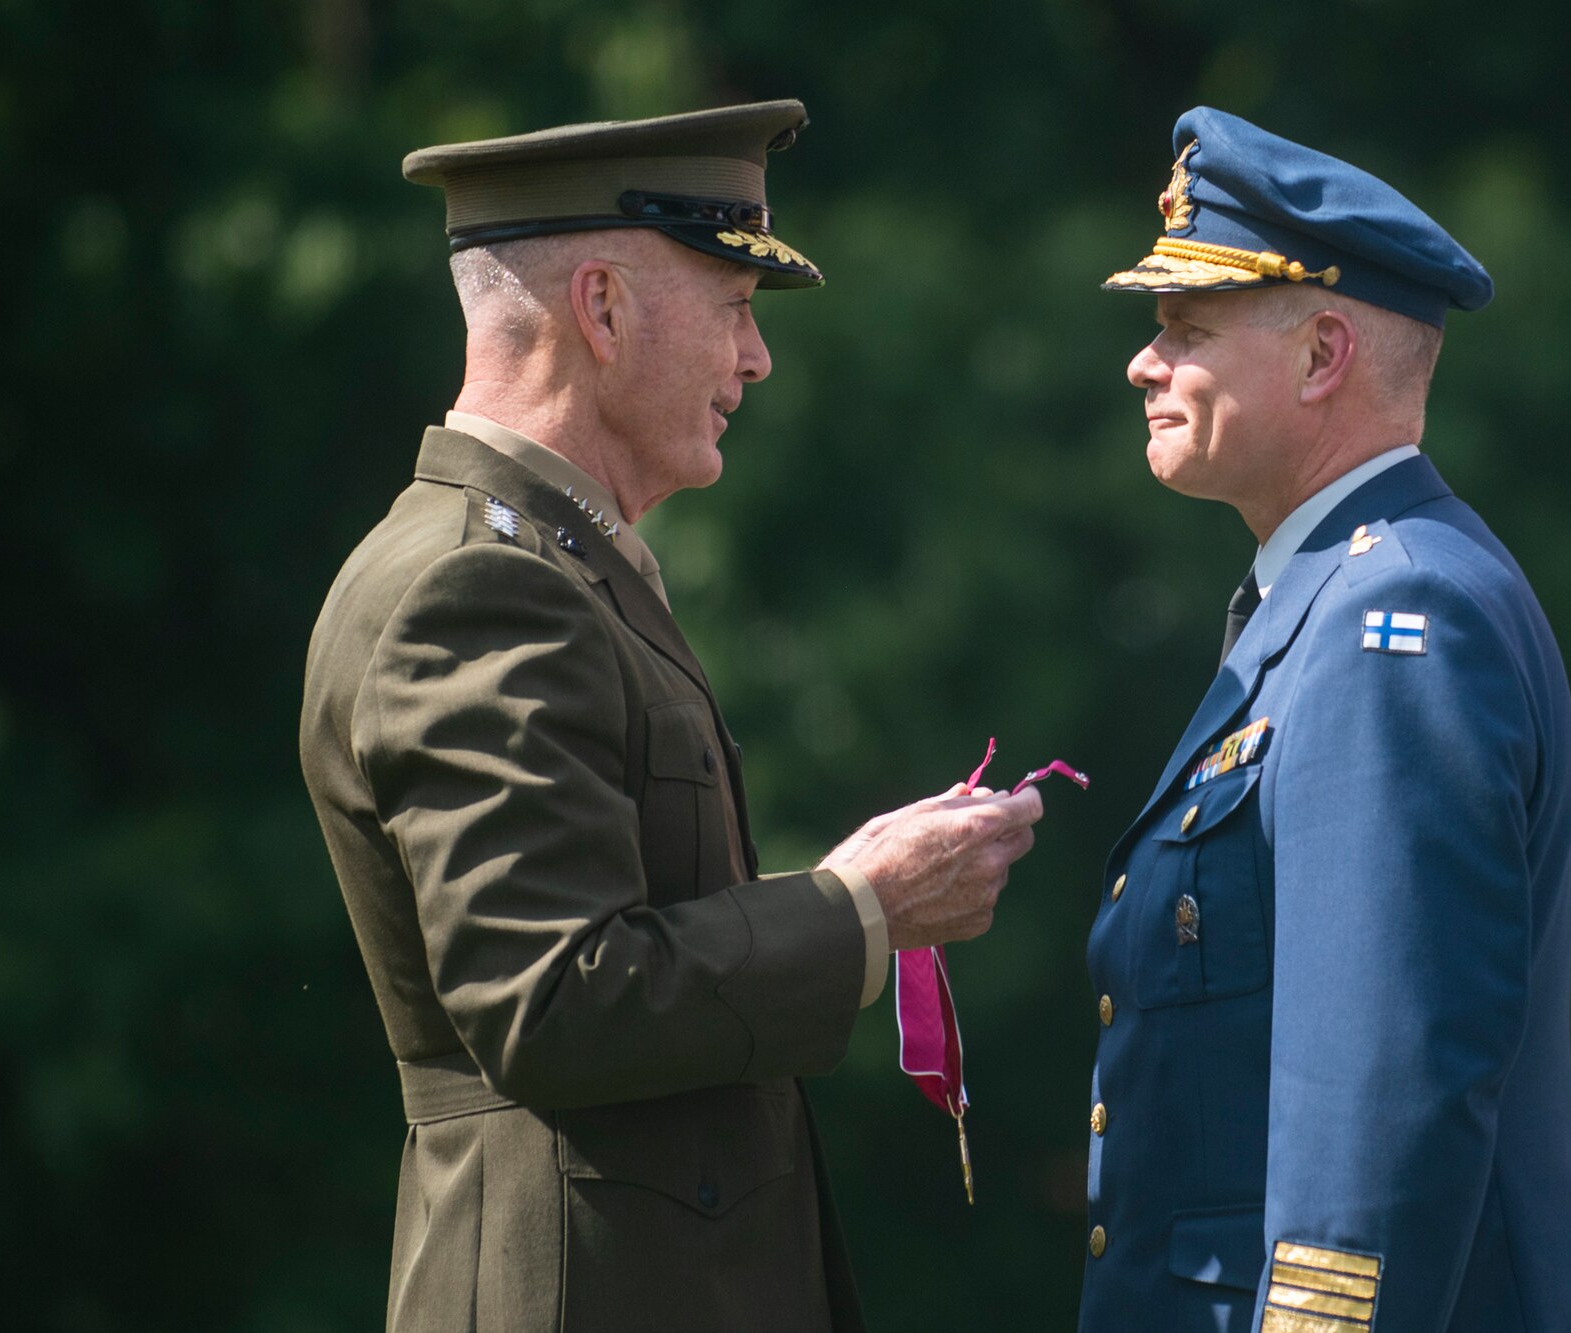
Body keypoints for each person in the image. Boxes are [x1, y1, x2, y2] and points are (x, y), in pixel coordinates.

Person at [297, 100, 1045, 1333]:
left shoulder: (546, 567)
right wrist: (861, 908)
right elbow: (554, 999)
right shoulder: (477, 585)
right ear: (601, 308)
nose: (755, 360)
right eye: (736, 307)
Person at [1079, 107, 1571, 1333]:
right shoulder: (1331, 599)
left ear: (1323, 354)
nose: (1141, 362)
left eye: (1184, 327)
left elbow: (1380, 1091)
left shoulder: (1397, 615)